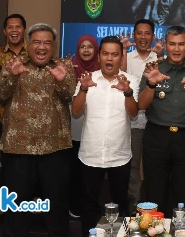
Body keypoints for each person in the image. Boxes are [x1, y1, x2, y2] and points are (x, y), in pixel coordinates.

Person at [0, 23, 76, 237]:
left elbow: (69, 96)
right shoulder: (13, 64)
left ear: (53, 46)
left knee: (56, 205)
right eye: (37, 42)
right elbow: (0, 95)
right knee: (17, 206)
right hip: (18, 148)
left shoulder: (63, 66)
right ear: (28, 44)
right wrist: (12, 76)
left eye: (47, 42)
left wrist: (60, 82)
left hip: (54, 149)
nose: (42, 47)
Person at [138, 25, 185, 214]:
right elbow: (141, 105)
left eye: (181, 44)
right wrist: (151, 84)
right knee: (154, 193)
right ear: (166, 45)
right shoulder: (153, 68)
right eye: (172, 44)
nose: (177, 49)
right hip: (157, 137)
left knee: (184, 193)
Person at [72, 36, 139, 237]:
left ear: (120, 57)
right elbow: (75, 111)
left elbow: (134, 113)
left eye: (114, 54)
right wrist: (83, 88)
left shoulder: (130, 80)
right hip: (91, 154)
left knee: (120, 203)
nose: (110, 58)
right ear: (99, 56)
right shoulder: (87, 78)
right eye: (106, 53)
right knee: (89, 205)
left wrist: (127, 92)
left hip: (119, 155)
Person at [120, 19, 164, 208]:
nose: (143, 37)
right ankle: (134, 200)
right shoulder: (127, 58)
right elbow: (119, 77)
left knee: (156, 165)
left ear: (153, 36)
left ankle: (155, 202)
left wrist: (161, 57)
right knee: (133, 165)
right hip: (133, 121)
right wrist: (122, 51)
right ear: (134, 35)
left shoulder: (160, 59)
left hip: (156, 121)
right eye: (139, 33)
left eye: (147, 33)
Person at [69, 34, 100, 219]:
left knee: (92, 170)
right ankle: (74, 203)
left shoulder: (102, 69)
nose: (86, 50)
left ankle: (91, 204)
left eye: (90, 46)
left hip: (95, 125)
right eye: (82, 47)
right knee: (75, 167)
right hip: (75, 123)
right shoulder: (70, 67)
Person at [0, 14, 28, 142]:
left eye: (18, 27)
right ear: (4, 31)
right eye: (10, 27)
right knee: (8, 158)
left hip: (32, 115)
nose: (14, 30)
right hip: (5, 116)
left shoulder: (35, 53)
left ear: (24, 30)